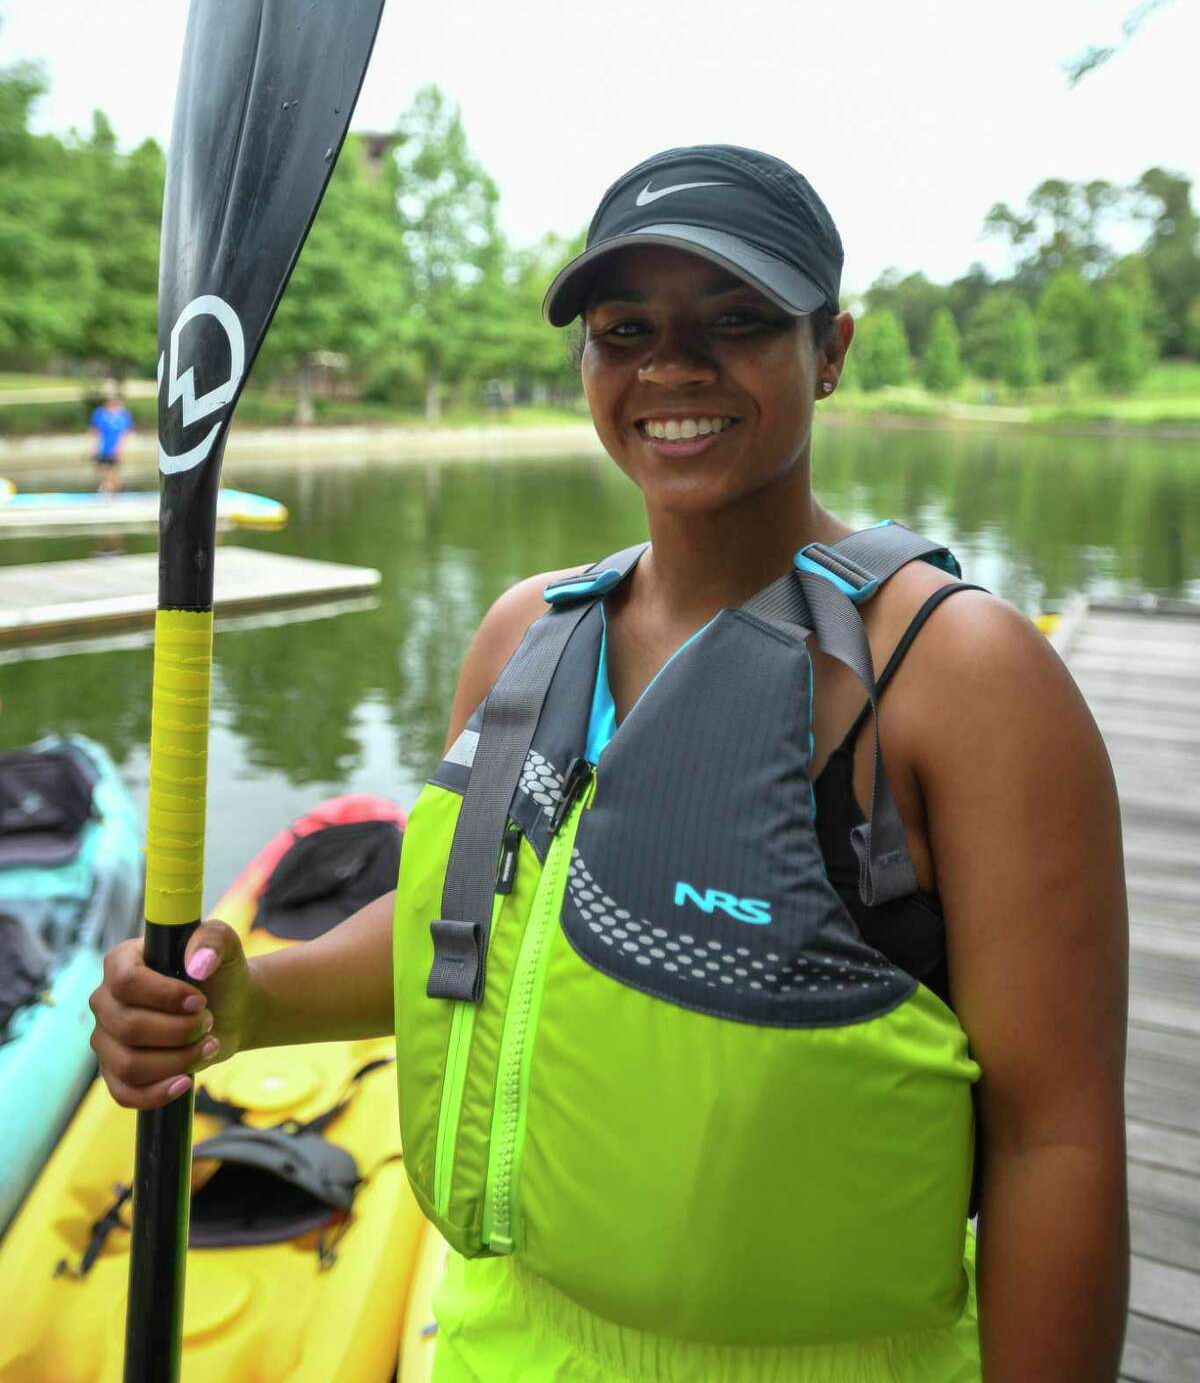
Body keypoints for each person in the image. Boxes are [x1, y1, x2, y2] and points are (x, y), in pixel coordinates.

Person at [90, 146, 1129, 1381]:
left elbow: (1053, 1144)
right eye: (624, 329)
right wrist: (250, 1001)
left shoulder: (958, 675)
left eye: (735, 320)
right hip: (503, 1347)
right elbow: (467, 935)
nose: (671, 367)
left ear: (832, 350)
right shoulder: (526, 636)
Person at [89, 382, 134, 494]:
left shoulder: (123, 414)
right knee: (101, 473)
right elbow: (94, 431)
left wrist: (119, 448)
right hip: (102, 447)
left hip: (116, 447)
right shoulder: (100, 413)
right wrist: (93, 447)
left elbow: (125, 433)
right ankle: (106, 491)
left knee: (114, 473)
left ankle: (117, 491)